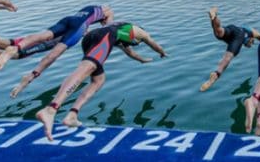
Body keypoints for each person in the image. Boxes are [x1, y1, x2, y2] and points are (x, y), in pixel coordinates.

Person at [35, 22, 167, 141]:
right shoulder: (138, 31)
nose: (136, 44)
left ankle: (72, 115)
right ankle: (51, 109)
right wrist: (162, 52)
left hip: (90, 39)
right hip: (103, 37)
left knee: (98, 80)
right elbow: (151, 41)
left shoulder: (122, 34)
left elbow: (130, 53)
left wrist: (142, 60)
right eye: (138, 43)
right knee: (85, 69)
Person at [0, 5, 114, 98]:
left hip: (68, 20)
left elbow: (87, 19)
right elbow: (107, 30)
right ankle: (29, 77)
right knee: (53, 55)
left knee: (42, 36)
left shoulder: (93, 8)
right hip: (78, 27)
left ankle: (15, 48)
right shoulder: (108, 13)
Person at [199, 6, 260, 91]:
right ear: (251, 38)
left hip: (232, 29)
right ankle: (215, 76)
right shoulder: (252, 34)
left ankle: (214, 16)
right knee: (228, 58)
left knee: (218, 31)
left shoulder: (249, 31)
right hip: (237, 36)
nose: (251, 45)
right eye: (252, 42)